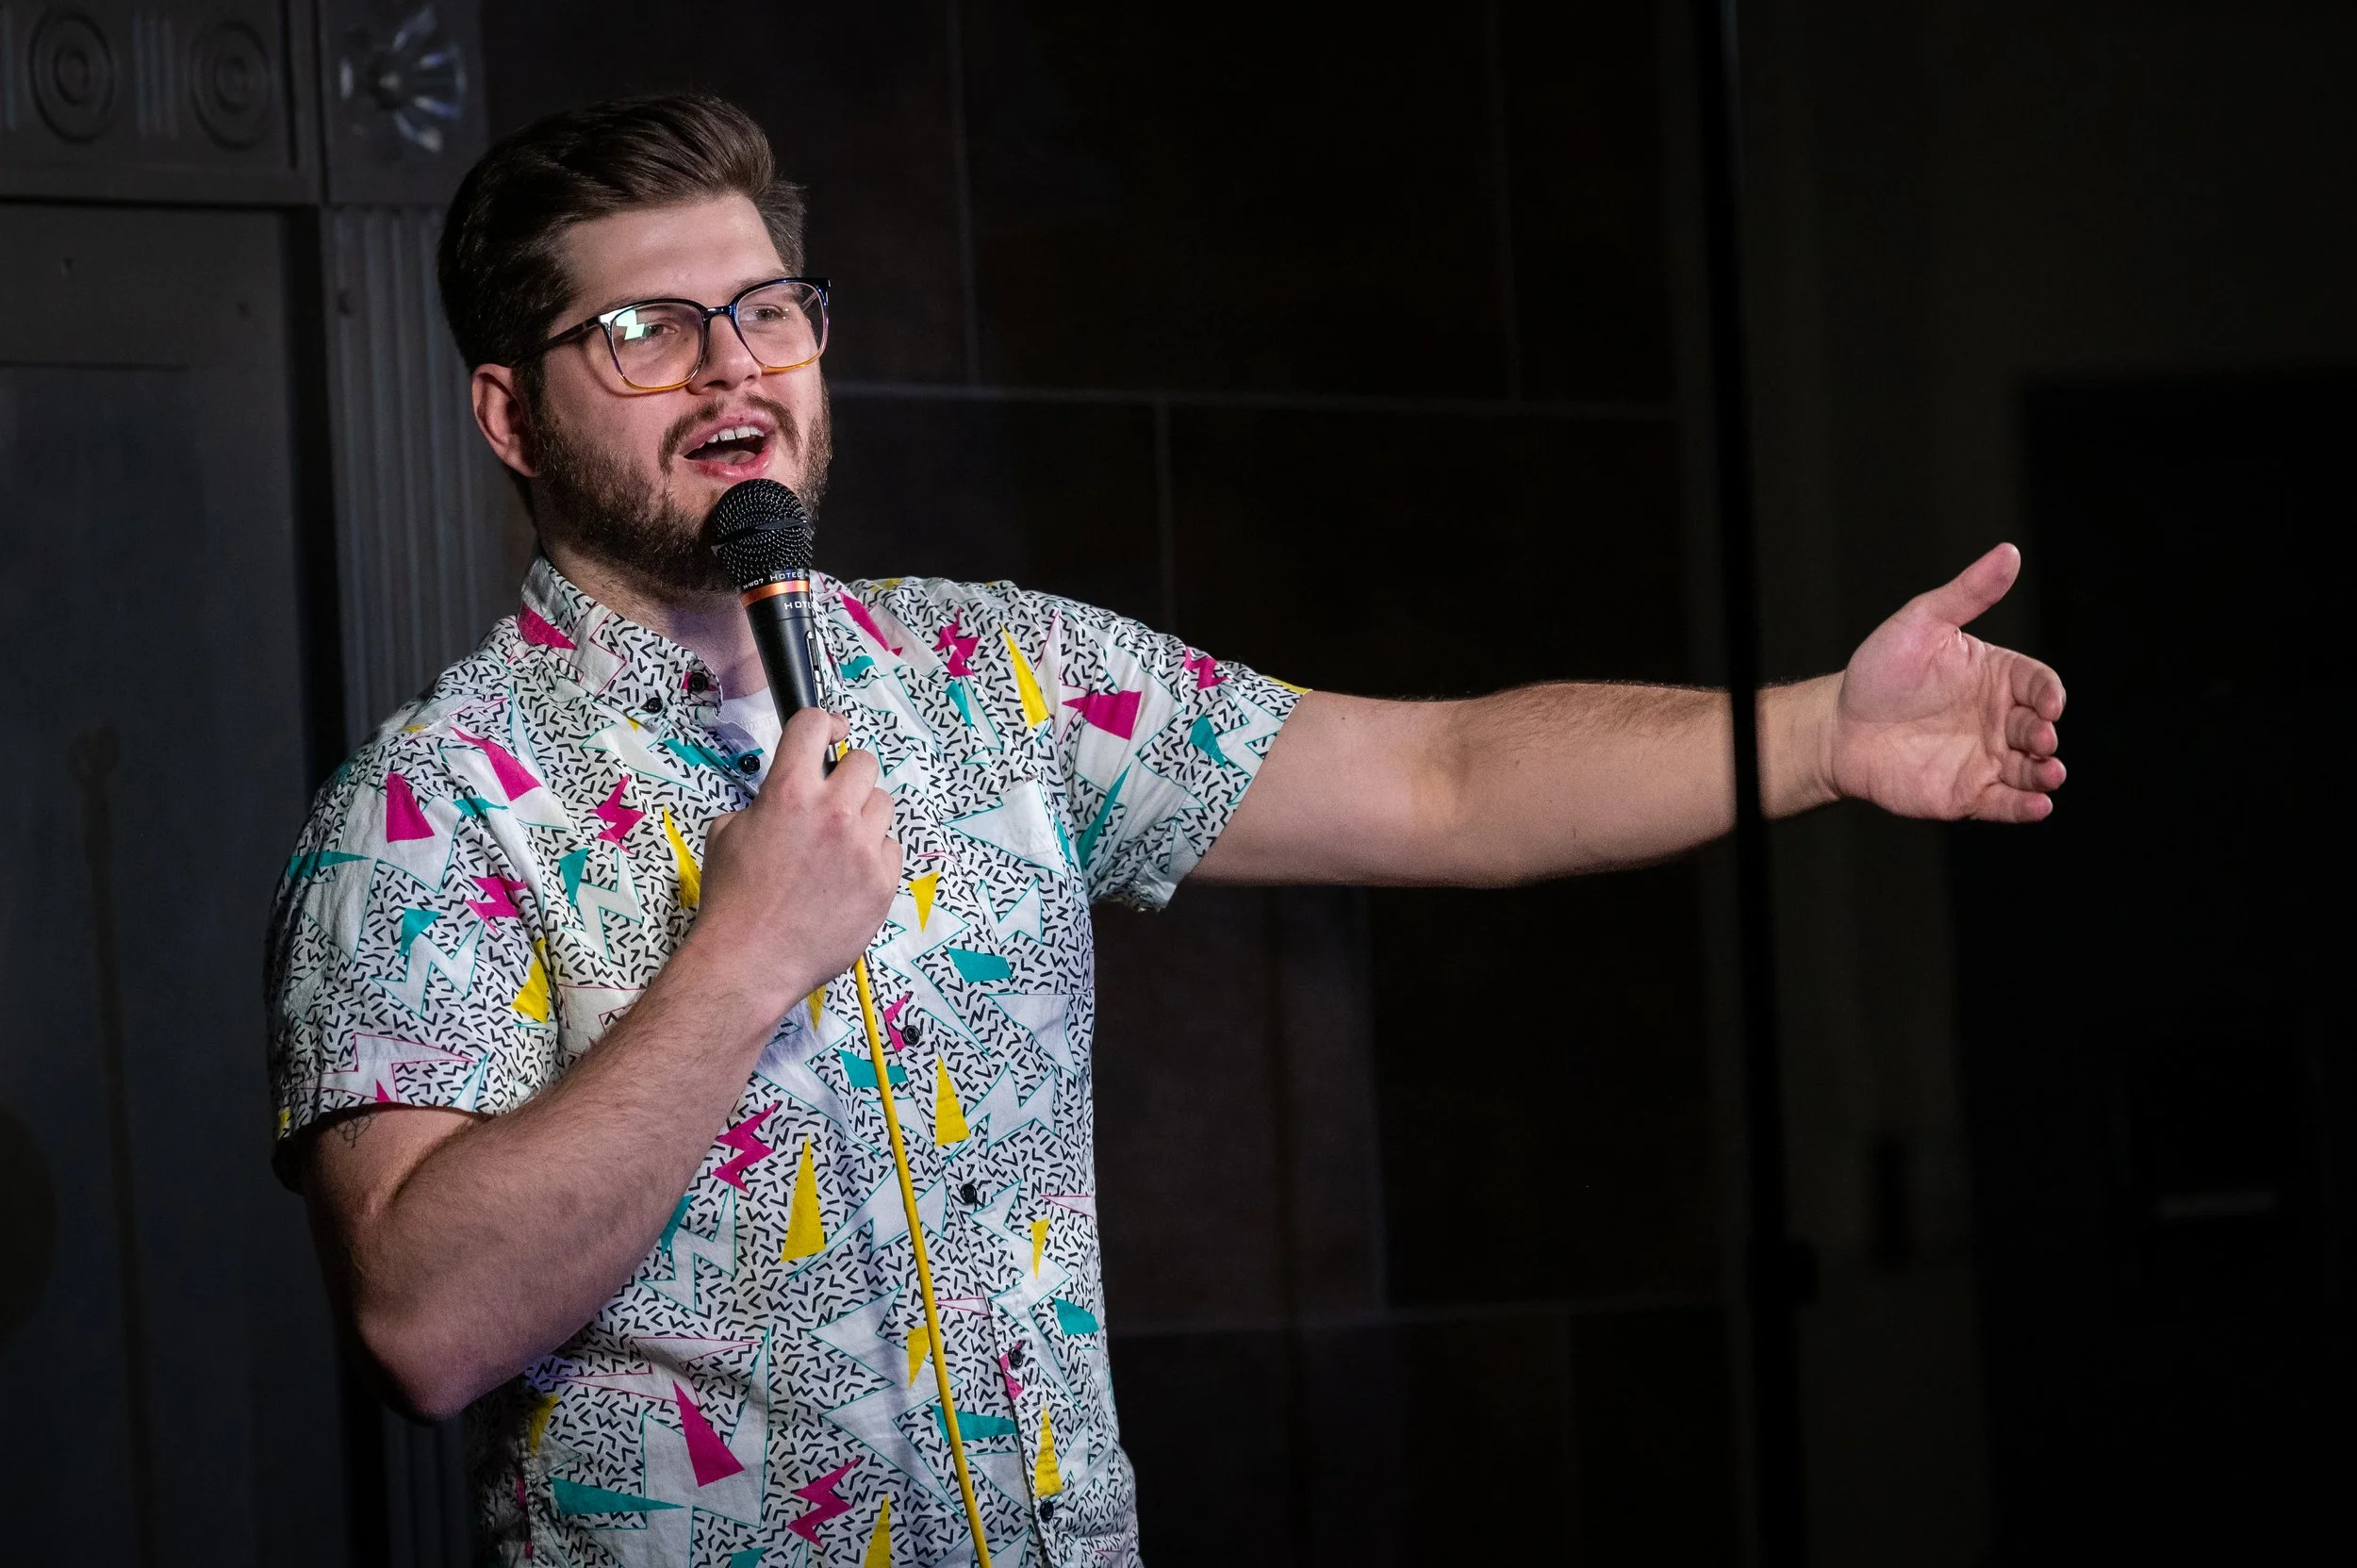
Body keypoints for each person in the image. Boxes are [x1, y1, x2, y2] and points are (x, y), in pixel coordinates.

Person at [268, 94, 2066, 1567]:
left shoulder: (997, 675)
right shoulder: (421, 816)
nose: (731, 373)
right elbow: (426, 1323)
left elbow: (1439, 782)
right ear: (511, 409)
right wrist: (744, 955)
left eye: (766, 311)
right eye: (644, 332)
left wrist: (1822, 731)